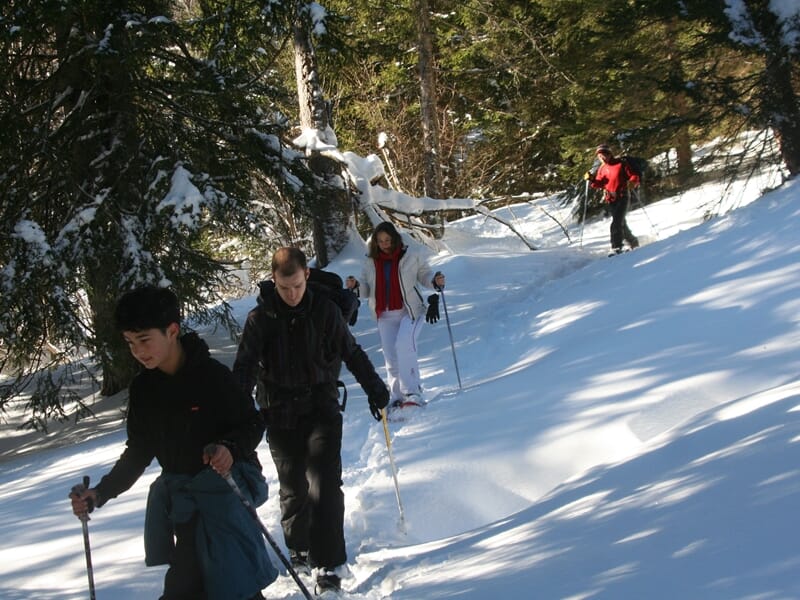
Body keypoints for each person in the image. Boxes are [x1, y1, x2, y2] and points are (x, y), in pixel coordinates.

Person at [69, 286, 274, 600]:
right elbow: (138, 451)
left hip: (224, 498)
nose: (138, 351)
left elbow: (253, 422)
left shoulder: (211, 377)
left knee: (230, 585)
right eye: (130, 342)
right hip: (185, 503)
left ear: (172, 331)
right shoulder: (144, 389)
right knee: (197, 584)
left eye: (144, 339)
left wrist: (229, 448)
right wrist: (100, 492)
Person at [232, 247, 389, 594]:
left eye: (298, 286)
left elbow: (351, 352)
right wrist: (234, 412)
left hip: (322, 408)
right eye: (285, 287)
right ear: (274, 280)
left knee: (324, 485)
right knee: (292, 485)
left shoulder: (325, 310)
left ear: (306, 276)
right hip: (279, 412)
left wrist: (375, 388)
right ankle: (298, 544)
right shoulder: (261, 319)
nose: (292, 294)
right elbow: (243, 369)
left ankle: (329, 563)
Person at [358, 221, 445, 407]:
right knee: (390, 355)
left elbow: (424, 275)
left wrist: (435, 282)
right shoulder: (371, 261)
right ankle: (397, 396)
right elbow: (365, 287)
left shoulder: (410, 256)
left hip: (410, 311)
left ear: (395, 238)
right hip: (384, 314)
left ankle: (412, 392)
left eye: (387, 240)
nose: (384, 244)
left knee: (404, 345)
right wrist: (356, 288)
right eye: (380, 241)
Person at [585, 143, 640, 255]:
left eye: (603, 155)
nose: (602, 158)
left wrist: (632, 182)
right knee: (621, 222)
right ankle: (633, 241)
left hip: (622, 196)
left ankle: (616, 247)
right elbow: (600, 183)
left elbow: (634, 175)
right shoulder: (602, 168)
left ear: (609, 154)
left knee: (616, 223)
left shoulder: (621, 164)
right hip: (610, 199)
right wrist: (591, 179)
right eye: (599, 157)